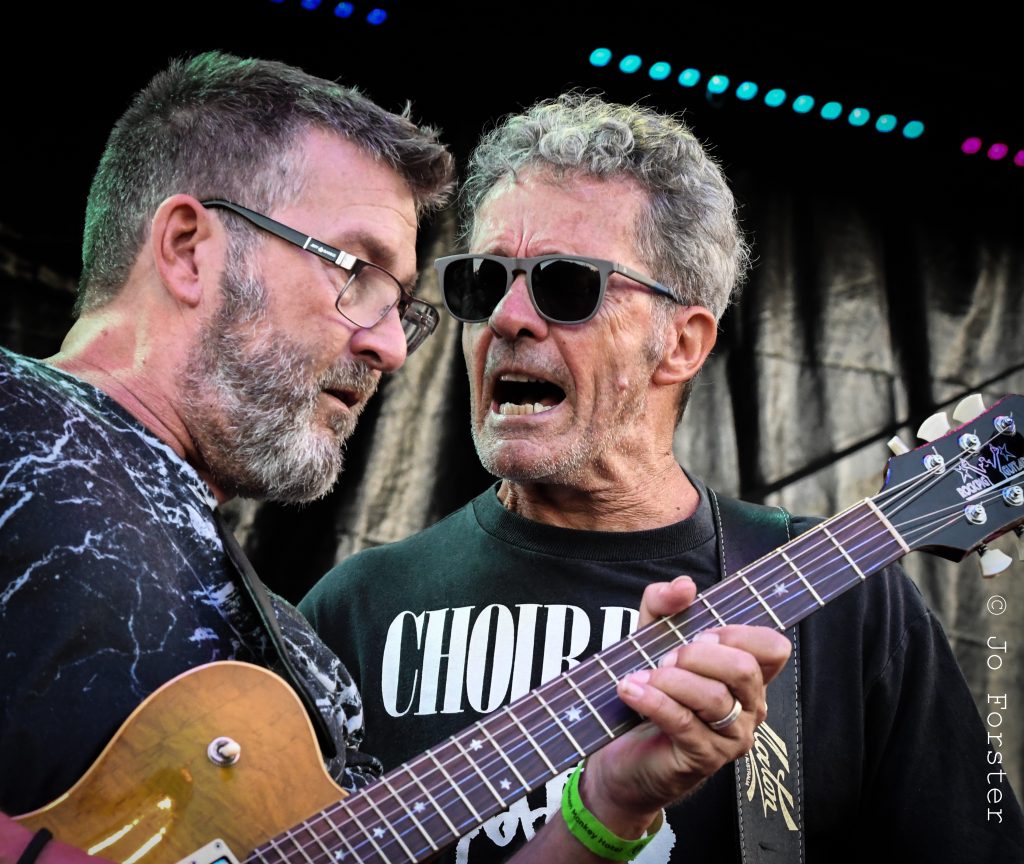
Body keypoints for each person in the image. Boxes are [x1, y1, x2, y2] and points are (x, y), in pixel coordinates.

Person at [0, 57, 786, 864]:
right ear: (189, 249)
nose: (391, 347)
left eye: (400, 303)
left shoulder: (297, 663)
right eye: (356, 272)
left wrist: (608, 808)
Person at [301, 93, 1024, 863]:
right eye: (483, 281)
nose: (507, 318)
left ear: (681, 344)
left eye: (565, 285)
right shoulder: (356, 609)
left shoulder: (848, 605)